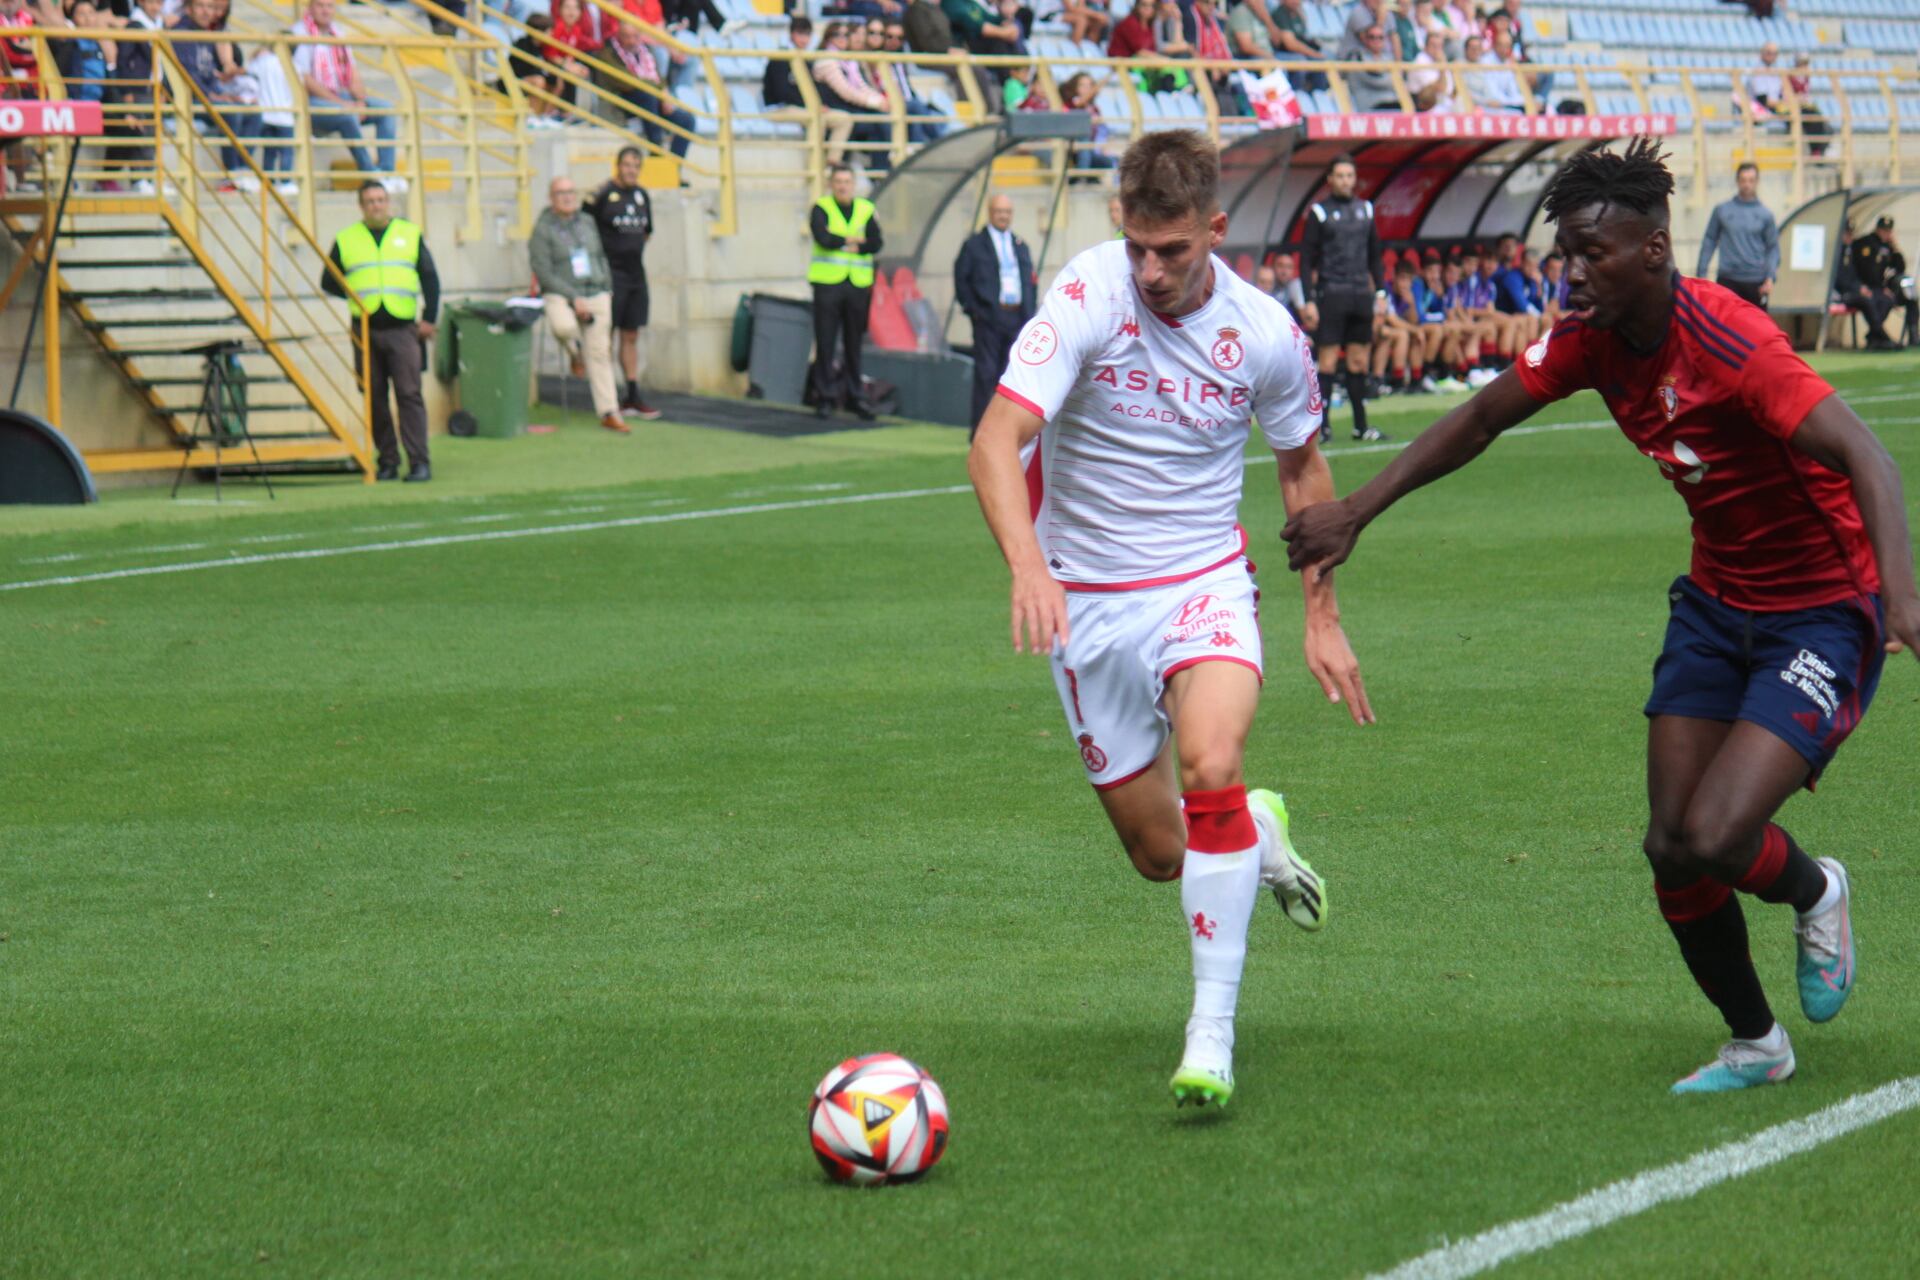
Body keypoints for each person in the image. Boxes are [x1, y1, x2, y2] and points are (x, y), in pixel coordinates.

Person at [1283, 138, 1920, 1095]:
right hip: (1715, 605)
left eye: (1593, 254)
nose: (1573, 273)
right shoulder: (1590, 339)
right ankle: (1756, 1043)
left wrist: (1902, 602)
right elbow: (1481, 417)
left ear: (1655, 249)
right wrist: (1356, 514)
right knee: (1670, 845)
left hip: (1821, 613)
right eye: (1565, 254)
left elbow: (1869, 457)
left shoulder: (1733, 344)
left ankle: (1816, 888)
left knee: (1714, 834)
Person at [967, 129, 1369, 1109]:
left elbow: (1302, 470)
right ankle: (1258, 838)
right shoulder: (1087, 293)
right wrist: (1029, 565)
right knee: (1159, 853)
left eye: (1174, 250)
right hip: (1086, 604)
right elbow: (997, 436)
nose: (1151, 269)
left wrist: (1322, 613)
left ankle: (1210, 1031)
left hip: (1202, 581)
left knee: (1211, 765)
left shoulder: (1265, 331)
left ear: (1216, 231)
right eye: (1138, 244)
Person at [320, 180, 439, 482]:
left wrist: (429, 317)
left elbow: (429, 278)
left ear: (389, 203)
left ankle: (419, 462)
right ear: (362, 206)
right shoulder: (347, 239)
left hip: (402, 327)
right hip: (365, 326)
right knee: (374, 397)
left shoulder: (409, 234)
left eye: (381, 200)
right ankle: (387, 460)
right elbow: (328, 280)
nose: (377, 205)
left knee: (409, 394)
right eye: (371, 201)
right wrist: (355, 295)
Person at [529, 175, 629, 434]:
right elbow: (543, 271)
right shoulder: (543, 229)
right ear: (552, 198)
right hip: (561, 293)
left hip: (595, 291)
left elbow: (599, 256)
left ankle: (609, 411)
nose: (568, 197)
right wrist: (574, 298)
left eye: (571, 192)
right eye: (561, 193)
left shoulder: (587, 222)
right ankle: (576, 352)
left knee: (600, 353)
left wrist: (607, 288)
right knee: (563, 327)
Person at [1300, 154, 1387, 442]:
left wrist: (1381, 293)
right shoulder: (1319, 213)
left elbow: (1375, 255)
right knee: (1326, 362)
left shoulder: (1366, 210)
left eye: (1349, 176)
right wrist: (1309, 299)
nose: (1345, 181)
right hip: (1332, 293)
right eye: (1340, 176)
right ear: (1330, 179)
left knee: (1358, 363)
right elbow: (1306, 259)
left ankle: (1360, 426)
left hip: (1361, 293)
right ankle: (1322, 426)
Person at [588, 146, 662, 420]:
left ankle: (632, 394)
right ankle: (605, 397)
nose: (631, 170)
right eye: (627, 165)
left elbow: (646, 234)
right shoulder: (603, 195)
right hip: (610, 275)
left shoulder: (642, 196)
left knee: (631, 334)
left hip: (636, 275)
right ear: (617, 166)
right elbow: (588, 229)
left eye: (636, 166)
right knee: (605, 335)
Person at [293, 0, 403, 186]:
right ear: (310, 8)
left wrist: (360, 100)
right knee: (346, 115)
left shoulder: (338, 33)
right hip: (311, 100)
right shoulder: (299, 33)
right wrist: (343, 104)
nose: (325, 11)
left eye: (329, 6)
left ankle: (387, 171)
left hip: (339, 96)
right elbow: (305, 80)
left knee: (385, 109)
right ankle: (371, 175)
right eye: (320, 6)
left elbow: (352, 71)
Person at [954, 192, 1036, 435]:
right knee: (986, 374)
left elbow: (1030, 281)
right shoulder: (974, 244)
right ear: (990, 213)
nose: (1004, 216)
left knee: (1011, 377)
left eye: (1007, 212)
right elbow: (962, 280)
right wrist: (975, 310)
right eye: (999, 211)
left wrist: (1028, 313)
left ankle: (1005, 431)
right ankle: (979, 430)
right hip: (989, 317)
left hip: (1016, 317)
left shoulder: (1020, 244)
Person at [808, 163, 882, 420]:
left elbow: (875, 242)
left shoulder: (865, 209)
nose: (843, 186)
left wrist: (843, 240)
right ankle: (825, 396)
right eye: (838, 182)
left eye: (847, 182)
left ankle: (855, 395)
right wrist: (853, 240)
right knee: (826, 341)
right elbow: (823, 238)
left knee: (854, 344)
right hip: (828, 284)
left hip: (858, 285)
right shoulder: (821, 208)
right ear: (831, 184)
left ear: (853, 185)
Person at [172, 0, 261, 189]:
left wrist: (226, 93)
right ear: (189, 9)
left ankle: (244, 168)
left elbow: (209, 74)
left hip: (209, 95)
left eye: (210, 7)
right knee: (231, 112)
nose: (206, 12)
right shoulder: (181, 33)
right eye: (201, 6)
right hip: (190, 99)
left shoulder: (207, 33)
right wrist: (214, 96)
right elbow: (188, 75)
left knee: (254, 112)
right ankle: (231, 173)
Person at [599, 20, 694, 159]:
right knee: (647, 97)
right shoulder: (608, 53)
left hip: (652, 99)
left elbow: (658, 77)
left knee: (687, 120)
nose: (631, 41)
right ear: (619, 36)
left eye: (635, 36)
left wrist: (664, 91)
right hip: (624, 99)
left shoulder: (646, 51)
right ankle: (656, 153)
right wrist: (660, 91)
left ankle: (674, 166)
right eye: (626, 36)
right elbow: (627, 82)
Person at [1696, 163, 1778, 309]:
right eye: (1743, 180)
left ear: (1757, 182)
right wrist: (1701, 273)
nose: (1747, 184)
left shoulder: (1766, 214)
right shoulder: (1722, 210)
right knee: (1724, 328)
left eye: (1751, 180)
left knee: (1756, 329)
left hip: (1756, 281)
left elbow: (1773, 248)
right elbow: (1709, 240)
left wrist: (1770, 277)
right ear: (1737, 181)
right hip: (1728, 280)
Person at [1852, 215, 1916, 349]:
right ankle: (1880, 337)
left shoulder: (1887, 246)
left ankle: (1876, 337)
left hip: (1878, 288)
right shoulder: (1865, 243)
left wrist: (1895, 247)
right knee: (1882, 300)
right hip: (1865, 287)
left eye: (1888, 231)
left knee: (1902, 298)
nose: (1886, 233)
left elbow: (1900, 267)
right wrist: (1880, 288)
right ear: (1877, 229)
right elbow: (1868, 271)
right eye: (1883, 230)